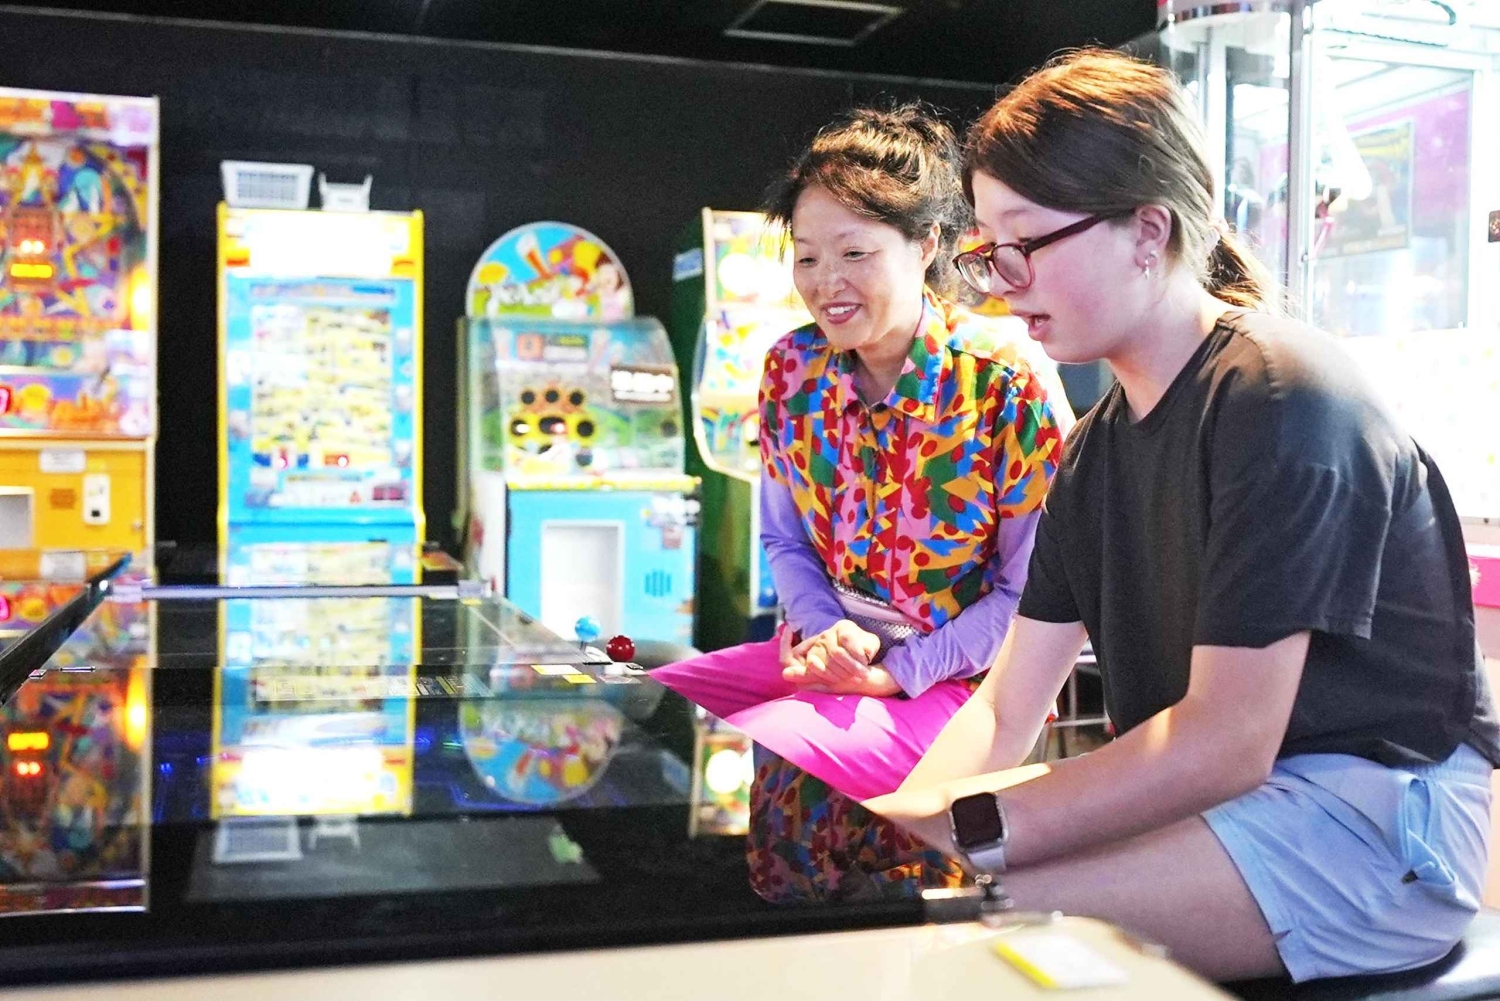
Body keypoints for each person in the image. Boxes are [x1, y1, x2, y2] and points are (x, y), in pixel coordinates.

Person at [861, 49, 1500, 983]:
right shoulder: (1092, 450)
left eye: (1025, 244)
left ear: (1147, 231)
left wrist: (964, 828)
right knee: (895, 899)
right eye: (988, 250)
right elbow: (1003, 708)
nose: (1001, 282)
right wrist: (888, 841)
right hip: (1233, 798)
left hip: (1377, 824)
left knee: (958, 931)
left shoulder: (1281, 394)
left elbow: (1226, 742)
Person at [650, 105, 1071, 900]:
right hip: (829, 657)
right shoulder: (791, 369)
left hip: (962, 682)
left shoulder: (1003, 382)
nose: (825, 282)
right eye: (807, 257)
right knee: (656, 714)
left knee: (788, 754)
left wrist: (900, 670)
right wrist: (824, 630)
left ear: (927, 244)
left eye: (854, 253)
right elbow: (785, 541)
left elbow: (1035, 594)